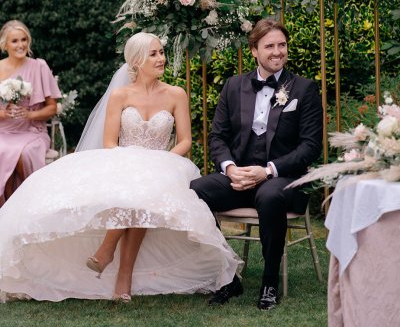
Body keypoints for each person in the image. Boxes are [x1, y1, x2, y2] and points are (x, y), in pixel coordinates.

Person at [0, 32, 240, 302]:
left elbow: (184, 141)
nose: (161, 58)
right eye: (154, 54)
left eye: (161, 52)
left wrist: (161, 162)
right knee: (137, 189)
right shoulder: (120, 95)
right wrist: (134, 163)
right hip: (124, 161)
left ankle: (108, 249)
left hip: (166, 163)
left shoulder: (176, 94)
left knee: (148, 186)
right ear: (136, 61)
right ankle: (121, 274)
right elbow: (109, 142)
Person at [191, 18, 323, 311]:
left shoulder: (304, 89)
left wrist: (267, 171)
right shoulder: (234, 86)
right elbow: (217, 137)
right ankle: (226, 275)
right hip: (239, 176)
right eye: (270, 46)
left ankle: (269, 280)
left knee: (269, 194)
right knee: (194, 191)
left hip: (284, 179)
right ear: (254, 50)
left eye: (282, 45)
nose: (278, 52)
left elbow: (310, 146)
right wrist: (229, 168)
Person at [0, 20, 61, 207]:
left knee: (24, 153)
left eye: (24, 40)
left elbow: (52, 108)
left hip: (32, 131)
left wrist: (29, 115)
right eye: (15, 41)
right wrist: (2, 114)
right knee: (2, 150)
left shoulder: (39, 66)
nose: (21, 45)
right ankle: (8, 206)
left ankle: (30, 203)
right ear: (5, 45)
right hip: (4, 131)